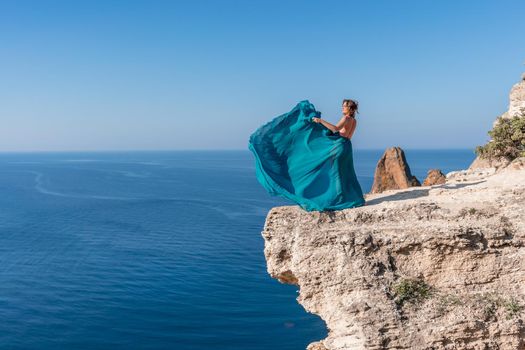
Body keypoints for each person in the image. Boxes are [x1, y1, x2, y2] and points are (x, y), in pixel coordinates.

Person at [248, 99, 366, 212]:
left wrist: (320, 121)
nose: (342, 108)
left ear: (350, 108)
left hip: (339, 146)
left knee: (335, 173)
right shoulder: (354, 121)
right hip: (347, 146)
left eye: (344, 106)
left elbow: (335, 129)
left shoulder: (345, 118)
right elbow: (347, 136)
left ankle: (336, 200)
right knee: (346, 172)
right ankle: (353, 198)